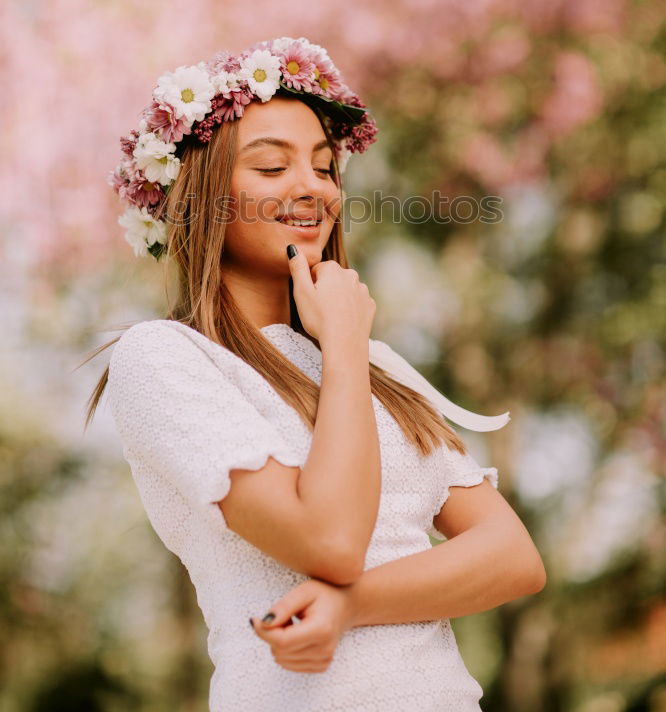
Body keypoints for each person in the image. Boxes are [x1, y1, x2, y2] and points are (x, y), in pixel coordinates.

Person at [85, 37, 546, 712]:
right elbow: (330, 541)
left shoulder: (367, 362)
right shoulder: (164, 358)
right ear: (201, 195)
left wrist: (348, 607)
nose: (312, 187)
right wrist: (345, 349)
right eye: (271, 167)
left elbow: (512, 558)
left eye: (326, 168)